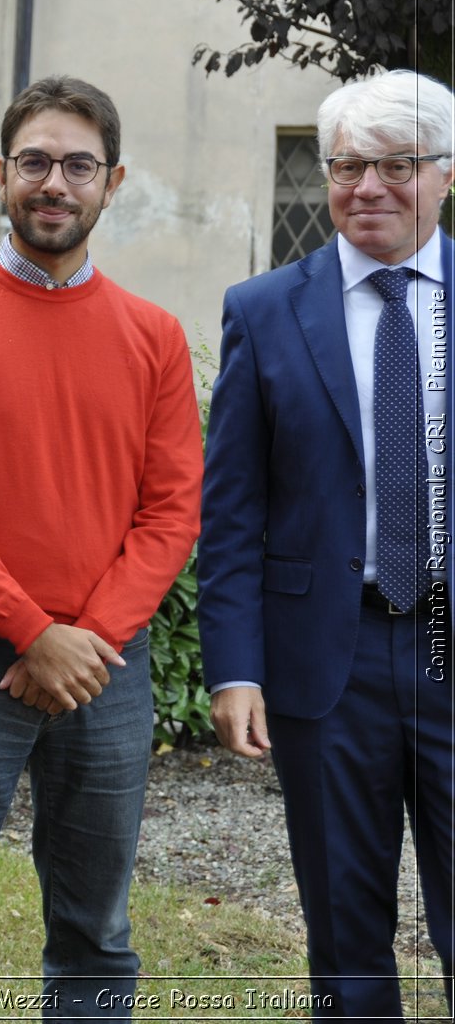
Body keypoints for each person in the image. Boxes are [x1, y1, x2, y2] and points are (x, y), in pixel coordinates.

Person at [0, 76, 202, 1018]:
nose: (55, 182)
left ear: (113, 180)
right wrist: (28, 630)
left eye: (78, 164)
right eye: (36, 162)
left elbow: (173, 511)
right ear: (1, 174)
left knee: (98, 932)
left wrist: (82, 640)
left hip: (106, 664)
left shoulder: (154, 336)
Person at [199, 69, 453, 1021]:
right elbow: (234, 508)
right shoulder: (264, 309)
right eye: (347, 165)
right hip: (324, 663)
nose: (367, 188)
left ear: (447, 175)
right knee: (345, 931)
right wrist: (234, 667)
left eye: (398, 165)